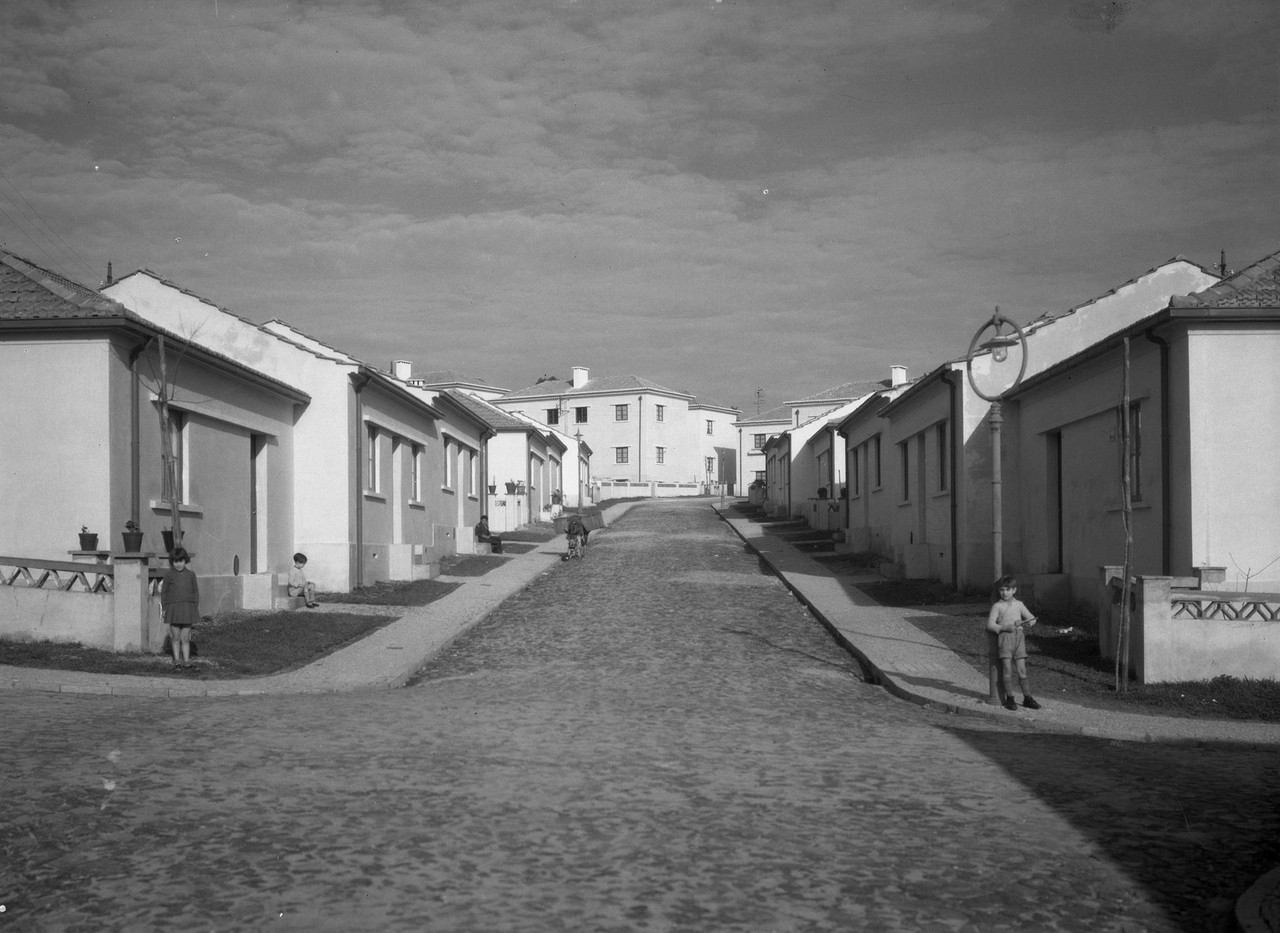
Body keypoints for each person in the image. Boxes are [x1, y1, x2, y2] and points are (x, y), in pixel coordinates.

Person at [986, 575, 1041, 711]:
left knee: (1022, 670)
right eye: (1002, 590)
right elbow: (990, 625)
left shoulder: (1019, 605)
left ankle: (1027, 697)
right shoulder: (997, 606)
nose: (1004, 593)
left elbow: (1032, 619)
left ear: (1014, 590)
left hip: (1019, 639)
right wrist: (1004, 627)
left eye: (1007, 590)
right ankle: (1010, 698)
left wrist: (1027, 623)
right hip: (1005, 639)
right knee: (1007, 669)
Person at [160, 547, 200, 670]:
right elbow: (164, 592)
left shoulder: (191, 575)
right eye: (176, 561)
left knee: (185, 637)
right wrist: (165, 608)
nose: (178, 564)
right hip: (173, 609)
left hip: (187, 608)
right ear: (172, 562)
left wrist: (194, 607)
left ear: (185, 560)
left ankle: (187, 660)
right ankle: (177, 660)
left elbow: (195, 592)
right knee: (175, 636)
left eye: (181, 561)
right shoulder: (169, 575)